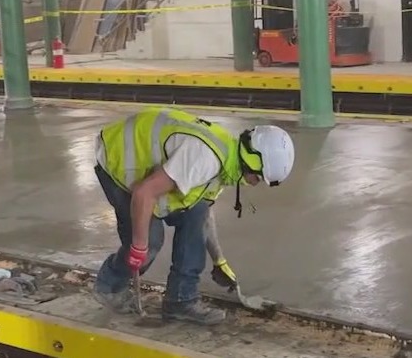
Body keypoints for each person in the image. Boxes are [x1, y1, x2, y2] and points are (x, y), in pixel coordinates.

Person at [91, 106, 296, 325]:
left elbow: (203, 213)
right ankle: (109, 286)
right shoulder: (204, 158)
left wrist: (219, 260)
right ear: (253, 164)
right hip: (118, 157)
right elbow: (144, 192)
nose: (255, 185)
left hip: (151, 171)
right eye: (258, 178)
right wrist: (139, 246)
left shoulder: (228, 162)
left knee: (194, 216)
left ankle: (180, 302)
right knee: (150, 242)